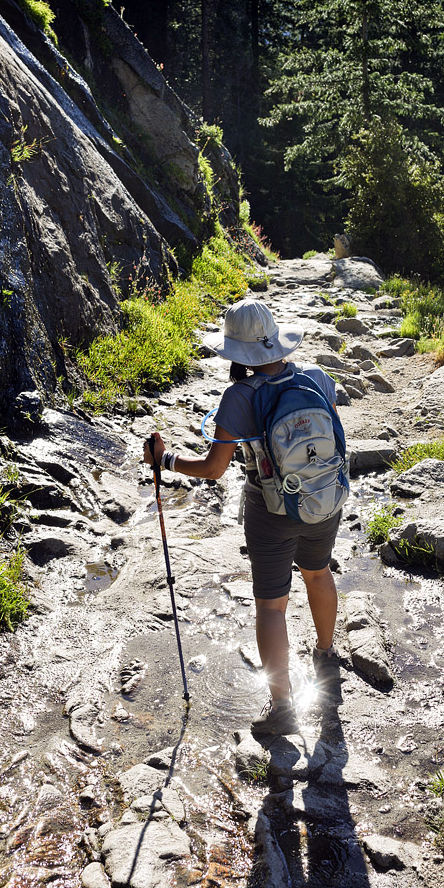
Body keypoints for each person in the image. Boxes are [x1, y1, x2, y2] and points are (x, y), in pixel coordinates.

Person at [143, 298, 344, 736]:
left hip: (271, 510)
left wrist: (167, 460)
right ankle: (327, 659)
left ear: (237, 352)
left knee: (272, 606)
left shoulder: (238, 396)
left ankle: (284, 708)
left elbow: (214, 470)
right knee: (318, 572)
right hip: (324, 498)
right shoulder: (316, 378)